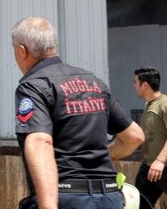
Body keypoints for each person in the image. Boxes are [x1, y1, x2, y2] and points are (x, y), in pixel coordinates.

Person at [12, 17, 144, 209]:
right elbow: (134, 137)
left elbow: (40, 142)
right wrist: (106, 155)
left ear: (22, 51)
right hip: (110, 196)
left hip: (67, 198)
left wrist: (48, 206)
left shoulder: (34, 85)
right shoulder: (93, 82)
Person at [133, 66, 167, 209]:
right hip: (148, 167)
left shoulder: (164, 104)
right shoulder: (148, 104)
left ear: (145, 85)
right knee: (140, 203)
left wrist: (160, 161)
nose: (134, 86)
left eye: (136, 82)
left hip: (163, 167)